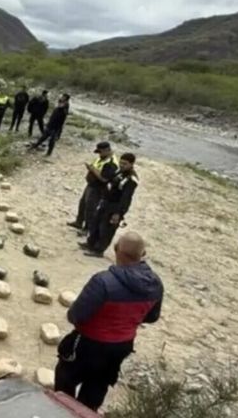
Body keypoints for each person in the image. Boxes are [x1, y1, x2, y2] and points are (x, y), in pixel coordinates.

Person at [55, 232, 163, 412]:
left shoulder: (103, 281)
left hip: (89, 343)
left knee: (65, 379)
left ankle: (62, 413)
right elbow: (152, 317)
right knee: (97, 386)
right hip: (121, 347)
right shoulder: (155, 284)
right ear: (142, 255)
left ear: (116, 251)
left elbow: (76, 315)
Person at [80, 153, 139, 257]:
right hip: (106, 202)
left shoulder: (131, 180)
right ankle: (91, 244)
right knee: (96, 223)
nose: (122, 165)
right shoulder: (119, 172)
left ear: (131, 164)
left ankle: (98, 250)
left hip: (115, 206)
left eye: (125, 164)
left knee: (106, 229)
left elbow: (126, 198)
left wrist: (118, 213)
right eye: (121, 163)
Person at [68, 142, 119, 233]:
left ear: (107, 150)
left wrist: (92, 169)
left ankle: (87, 229)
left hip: (98, 188)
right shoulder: (103, 158)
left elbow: (104, 179)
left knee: (90, 208)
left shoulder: (111, 163)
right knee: (83, 203)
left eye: (100, 152)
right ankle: (79, 222)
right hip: (91, 185)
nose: (99, 154)